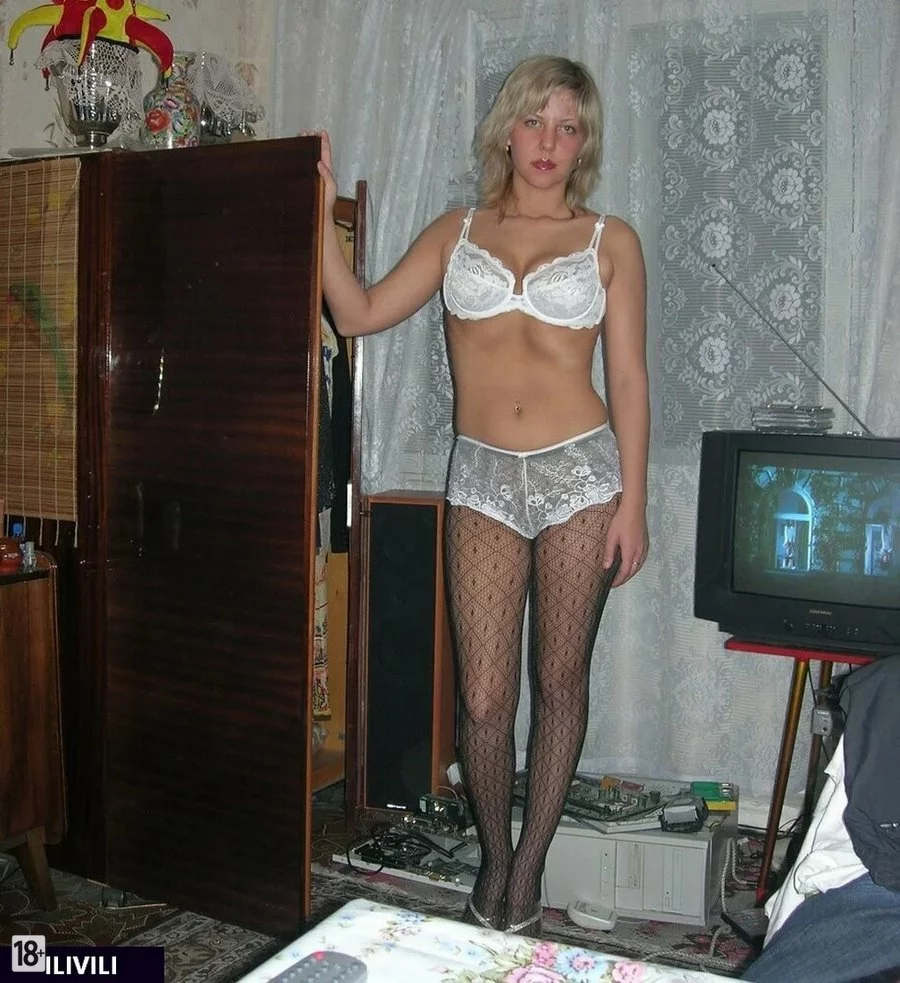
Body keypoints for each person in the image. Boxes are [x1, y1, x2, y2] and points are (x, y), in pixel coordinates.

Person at [309, 54, 649, 937]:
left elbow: (629, 378)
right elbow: (357, 312)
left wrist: (635, 501)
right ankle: (495, 855)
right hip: (485, 478)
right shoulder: (457, 230)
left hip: (582, 475)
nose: (549, 142)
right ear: (508, 130)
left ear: (584, 143)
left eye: (568, 127)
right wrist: (318, 213)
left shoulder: (610, 240)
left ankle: (525, 873)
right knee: (486, 700)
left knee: (560, 680)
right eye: (535, 120)